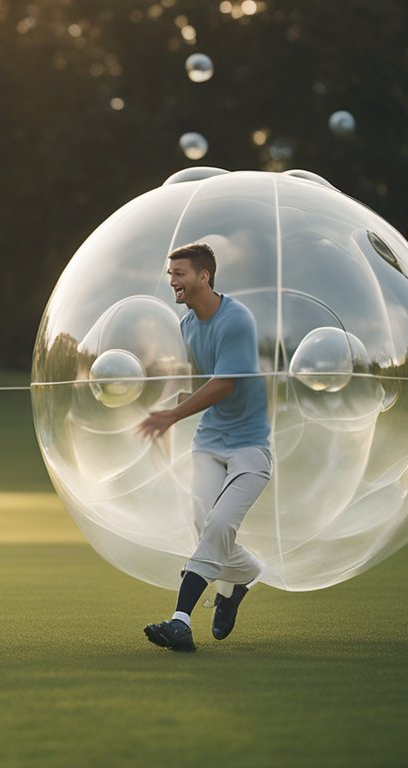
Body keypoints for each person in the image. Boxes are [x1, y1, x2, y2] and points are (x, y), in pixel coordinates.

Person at [137, 242, 272, 653]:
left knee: (217, 526)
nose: (172, 282)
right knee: (205, 524)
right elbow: (207, 381)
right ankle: (242, 577)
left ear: (203, 277)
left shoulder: (237, 320)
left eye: (179, 274)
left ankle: (180, 621)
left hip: (250, 447)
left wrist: (170, 418)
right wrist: (175, 402)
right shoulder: (188, 325)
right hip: (209, 442)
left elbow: (227, 383)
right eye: (170, 275)